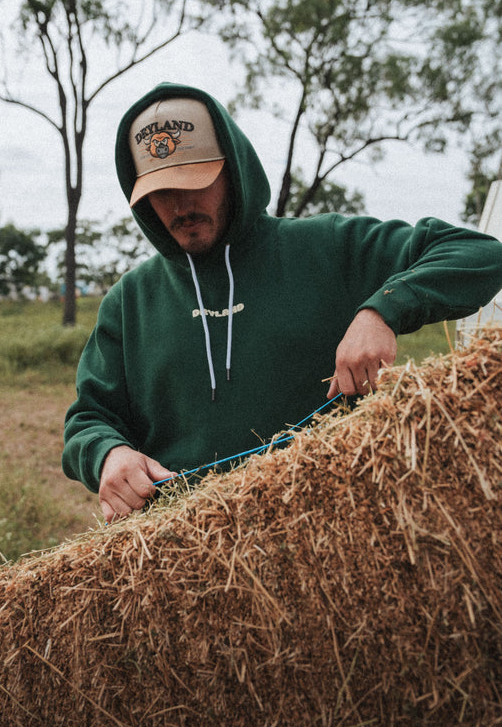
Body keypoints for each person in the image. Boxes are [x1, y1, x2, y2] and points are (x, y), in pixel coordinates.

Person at [62, 82, 502, 522]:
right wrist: (108, 454)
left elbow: (479, 252)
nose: (180, 205)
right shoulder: (129, 301)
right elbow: (89, 416)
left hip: (329, 530)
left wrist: (383, 310)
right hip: (186, 555)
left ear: (233, 170)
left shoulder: (325, 248)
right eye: (160, 192)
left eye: (195, 182)